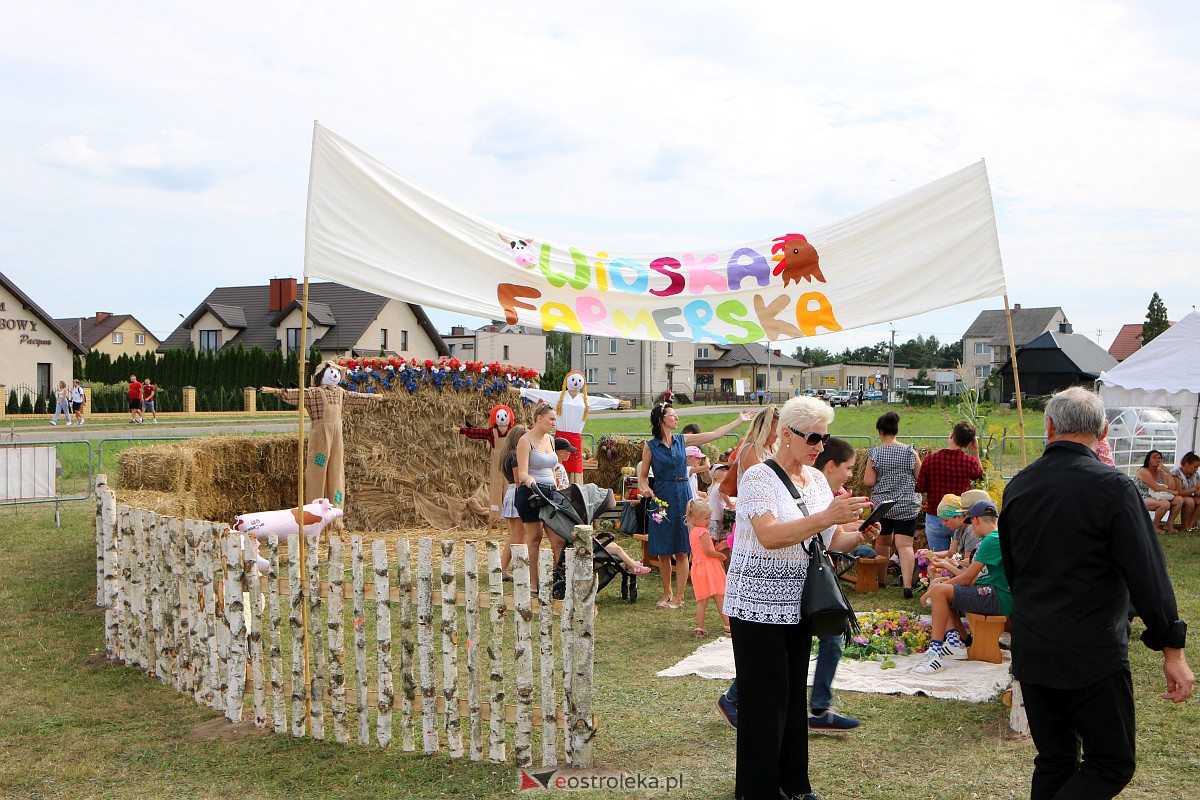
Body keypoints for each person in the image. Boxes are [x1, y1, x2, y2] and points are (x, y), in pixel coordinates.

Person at [998, 386, 1193, 799]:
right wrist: (1172, 650)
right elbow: (1148, 575)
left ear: (1048, 427)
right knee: (1110, 763)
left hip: (1034, 643)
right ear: (1103, 431)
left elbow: (1014, 572)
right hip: (1091, 648)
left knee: (1055, 760)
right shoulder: (1114, 488)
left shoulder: (1018, 487)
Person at [722, 396, 871, 800]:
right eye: (813, 437)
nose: (820, 446)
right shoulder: (758, 478)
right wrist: (829, 517)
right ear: (786, 433)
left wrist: (860, 533)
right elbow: (770, 536)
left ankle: (795, 784)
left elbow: (830, 538)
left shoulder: (817, 480)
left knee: (790, 695)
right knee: (763, 699)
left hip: (799, 600)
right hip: (756, 601)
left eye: (825, 438)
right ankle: (757, 790)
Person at [638, 404, 754, 610]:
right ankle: (667, 592)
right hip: (661, 497)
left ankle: (680, 596)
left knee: (682, 548)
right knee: (663, 549)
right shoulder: (650, 446)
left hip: (682, 493)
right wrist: (646, 489)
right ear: (661, 419)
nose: (676, 418)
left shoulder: (682, 440)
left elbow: (714, 434)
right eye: (672, 415)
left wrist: (739, 420)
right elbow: (643, 477)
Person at [809, 436, 878, 731]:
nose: (851, 474)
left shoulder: (828, 496)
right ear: (831, 466)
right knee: (790, 645)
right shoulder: (815, 495)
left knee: (832, 638)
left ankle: (820, 707)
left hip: (819, 576)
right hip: (807, 579)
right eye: (848, 468)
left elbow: (836, 539)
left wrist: (861, 536)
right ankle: (735, 696)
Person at [914, 499, 1009, 674]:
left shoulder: (991, 540)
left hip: (998, 597)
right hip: (993, 592)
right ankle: (960, 641)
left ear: (976, 520)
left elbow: (967, 580)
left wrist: (937, 588)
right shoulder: (995, 537)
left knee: (941, 590)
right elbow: (972, 579)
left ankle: (935, 653)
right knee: (942, 587)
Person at [862, 411, 923, 598]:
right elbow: (920, 477)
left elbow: (868, 481)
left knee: (882, 541)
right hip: (907, 504)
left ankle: (880, 580)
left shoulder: (875, 453)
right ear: (897, 430)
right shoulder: (909, 451)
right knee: (905, 545)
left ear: (880, 431)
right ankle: (906, 586)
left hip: (884, 505)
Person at [914, 421, 983, 552]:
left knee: (938, 559)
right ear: (968, 443)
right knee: (962, 559)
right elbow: (979, 474)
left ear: (951, 435)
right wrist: (975, 450)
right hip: (960, 517)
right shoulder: (968, 461)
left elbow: (920, 487)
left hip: (936, 515)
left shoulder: (931, 460)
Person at [514, 403, 560, 592]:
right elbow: (522, 473)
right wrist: (529, 480)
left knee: (558, 538)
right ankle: (534, 583)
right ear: (539, 418)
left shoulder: (550, 439)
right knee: (535, 538)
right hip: (532, 493)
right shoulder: (525, 441)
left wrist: (557, 483)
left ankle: (559, 579)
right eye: (551, 419)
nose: (553, 423)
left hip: (551, 492)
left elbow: (552, 467)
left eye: (555, 419)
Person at [686, 498, 729, 638]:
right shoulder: (703, 532)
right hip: (710, 568)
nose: (709, 521)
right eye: (706, 518)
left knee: (702, 600)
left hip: (698, 568)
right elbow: (708, 552)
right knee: (719, 597)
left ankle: (700, 626)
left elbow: (704, 551)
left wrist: (718, 547)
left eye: (709, 517)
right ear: (695, 518)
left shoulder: (693, 532)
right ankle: (729, 625)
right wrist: (721, 556)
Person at [498, 424, 528, 581]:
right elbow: (518, 480)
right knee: (519, 534)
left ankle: (503, 568)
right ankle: (516, 567)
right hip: (516, 492)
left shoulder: (508, 454)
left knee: (516, 534)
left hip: (511, 493)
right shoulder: (515, 455)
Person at [1135, 449, 1183, 533]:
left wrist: (1167, 471)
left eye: (1159, 458)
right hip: (1142, 497)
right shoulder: (1143, 471)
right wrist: (1173, 492)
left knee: (1179, 500)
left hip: (1159, 496)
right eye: (1154, 458)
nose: (1158, 460)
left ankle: (1169, 525)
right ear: (1148, 461)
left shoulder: (1160, 471)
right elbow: (1156, 487)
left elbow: (1171, 487)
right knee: (1165, 503)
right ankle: (1155, 527)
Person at [1171, 452, 1200, 532]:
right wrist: (1194, 489)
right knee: (1189, 501)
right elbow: (1178, 492)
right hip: (1177, 496)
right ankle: (1184, 526)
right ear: (1187, 464)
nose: (1196, 469)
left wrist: (1197, 490)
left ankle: (1190, 526)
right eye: (1195, 467)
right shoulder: (1176, 473)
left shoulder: (1195, 475)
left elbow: (1197, 491)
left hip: (1189, 495)